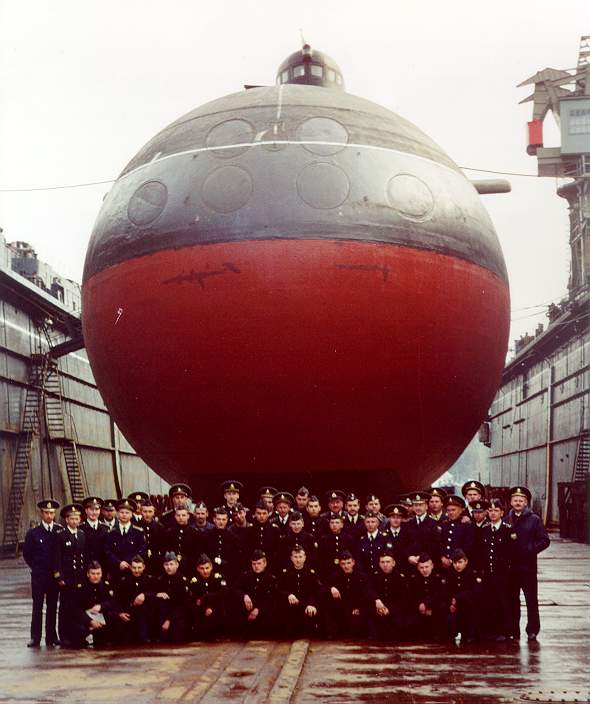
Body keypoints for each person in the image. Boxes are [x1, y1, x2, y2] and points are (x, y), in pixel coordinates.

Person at [506, 486, 550, 641]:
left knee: (531, 600)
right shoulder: (506, 519)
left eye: (521, 500)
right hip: (511, 568)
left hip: (528, 568)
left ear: (526, 503)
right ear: (511, 502)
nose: (518, 503)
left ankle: (532, 629)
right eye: (515, 500)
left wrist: (530, 549)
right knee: (512, 600)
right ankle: (513, 630)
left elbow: (545, 540)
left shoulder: (534, 519)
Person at [23, 499, 63, 648]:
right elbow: (27, 554)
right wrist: (37, 567)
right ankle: (35, 637)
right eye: (46, 512)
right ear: (41, 513)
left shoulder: (59, 531)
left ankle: (52, 636)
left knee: (53, 607)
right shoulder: (33, 533)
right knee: (37, 607)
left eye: (52, 513)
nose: (49, 515)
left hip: (54, 577)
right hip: (39, 577)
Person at [476, 498, 513, 640]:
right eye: (490, 510)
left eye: (496, 510)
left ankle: (504, 631)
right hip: (488, 574)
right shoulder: (484, 530)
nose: (492, 513)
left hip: (503, 574)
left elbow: (512, 553)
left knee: (503, 602)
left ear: (502, 512)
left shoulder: (508, 530)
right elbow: (480, 553)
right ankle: (490, 630)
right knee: (489, 602)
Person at [53, 503, 87, 648]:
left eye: (77, 518)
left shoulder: (81, 534)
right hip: (66, 578)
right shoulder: (60, 535)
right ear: (66, 520)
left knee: (78, 607)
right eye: (72, 519)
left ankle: (78, 636)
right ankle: (64, 636)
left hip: (79, 577)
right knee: (65, 607)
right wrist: (58, 577)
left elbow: (84, 557)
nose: (75, 521)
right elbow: (57, 558)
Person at [323, 550, 370, 639]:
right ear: (340, 565)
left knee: (356, 630)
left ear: (353, 563)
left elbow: (366, 594)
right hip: (341, 609)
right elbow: (323, 587)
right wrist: (331, 588)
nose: (346, 566)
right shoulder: (335, 576)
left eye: (348, 563)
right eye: (343, 564)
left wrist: (359, 607)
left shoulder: (362, 577)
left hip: (355, 609)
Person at [277, 545, 320, 638]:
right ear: (291, 558)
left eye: (300, 557)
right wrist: (288, 594)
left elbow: (316, 591)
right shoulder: (285, 573)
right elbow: (278, 589)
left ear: (305, 557)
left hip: (306, 605)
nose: (298, 560)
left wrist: (311, 604)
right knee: (288, 633)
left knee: (308, 631)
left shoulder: (311, 573)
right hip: (291, 605)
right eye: (295, 557)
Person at [73, 561, 116, 648]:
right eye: (93, 573)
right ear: (88, 574)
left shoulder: (106, 586)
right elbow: (76, 609)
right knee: (77, 633)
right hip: (85, 620)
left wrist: (101, 606)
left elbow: (113, 603)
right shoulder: (81, 588)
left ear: (101, 574)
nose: (95, 576)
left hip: (101, 620)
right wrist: (90, 621)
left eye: (98, 573)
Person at [113, 555, 156, 644]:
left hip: (145, 617)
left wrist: (145, 595)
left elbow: (155, 594)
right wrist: (120, 613)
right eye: (134, 568)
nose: (136, 570)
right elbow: (116, 600)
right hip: (128, 616)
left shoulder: (150, 580)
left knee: (145, 642)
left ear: (144, 567)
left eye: (139, 567)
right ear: (130, 567)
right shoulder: (123, 581)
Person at [235, 550, 278, 638]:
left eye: (259, 563)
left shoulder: (271, 579)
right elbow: (236, 589)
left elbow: (272, 599)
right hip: (248, 612)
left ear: (265, 563)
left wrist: (258, 610)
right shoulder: (245, 576)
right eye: (254, 564)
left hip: (263, 613)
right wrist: (244, 596)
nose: (256, 566)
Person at [369, 550, 409, 640]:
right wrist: (376, 600)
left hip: (394, 611)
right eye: (382, 562)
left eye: (388, 562)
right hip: (378, 610)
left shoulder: (400, 578)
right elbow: (369, 591)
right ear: (379, 564)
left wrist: (389, 609)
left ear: (393, 563)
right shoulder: (374, 576)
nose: (385, 565)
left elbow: (403, 600)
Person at [444, 549, 482, 642]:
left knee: (471, 609)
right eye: (455, 563)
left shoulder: (471, 574)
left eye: (460, 562)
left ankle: (469, 634)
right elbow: (446, 592)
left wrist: (457, 599)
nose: (457, 565)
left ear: (466, 561)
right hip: (454, 607)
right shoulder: (450, 574)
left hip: (467, 607)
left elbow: (473, 592)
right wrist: (451, 603)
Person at [103, 499, 146, 580]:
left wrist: (130, 562)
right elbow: (108, 551)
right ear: (117, 513)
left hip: (133, 570)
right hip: (116, 571)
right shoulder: (111, 532)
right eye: (122, 512)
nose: (124, 515)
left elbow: (141, 549)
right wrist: (119, 563)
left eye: (127, 513)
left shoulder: (138, 531)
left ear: (131, 514)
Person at [189, 554, 228, 640]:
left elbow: (223, 593)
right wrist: (205, 608)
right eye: (202, 568)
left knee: (222, 604)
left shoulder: (218, 578)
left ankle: (220, 633)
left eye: (207, 568)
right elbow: (194, 599)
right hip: (202, 611)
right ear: (198, 569)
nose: (205, 571)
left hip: (216, 609)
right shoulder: (194, 581)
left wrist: (211, 605)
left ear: (211, 567)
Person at [154, 552, 191, 642]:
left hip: (178, 615)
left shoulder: (182, 581)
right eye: (166, 564)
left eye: (171, 564)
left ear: (177, 565)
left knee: (178, 637)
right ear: (163, 566)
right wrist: (156, 594)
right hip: (164, 615)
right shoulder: (160, 579)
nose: (169, 567)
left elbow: (183, 605)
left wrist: (169, 620)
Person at [408, 553, 445, 640]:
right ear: (417, 568)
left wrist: (428, 605)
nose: (424, 570)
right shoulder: (413, 580)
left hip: (434, 610)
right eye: (421, 567)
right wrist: (419, 605)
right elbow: (410, 597)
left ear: (432, 566)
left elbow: (441, 596)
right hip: (419, 611)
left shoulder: (438, 578)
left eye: (427, 567)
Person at [203, 507, 243, 584]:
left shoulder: (233, 538)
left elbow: (236, 560)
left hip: (228, 574)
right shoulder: (207, 536)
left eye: (223, 519)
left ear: (227, 520)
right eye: (218, 519)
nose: (221, 522)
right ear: (214, 519)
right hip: (211, 573)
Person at [439, 495, 475, 570]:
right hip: (444, 564)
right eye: (448, 510)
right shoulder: (444, 525)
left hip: (459, 565)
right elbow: (440, 543)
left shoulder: (467, 525)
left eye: (453, 510)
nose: (450, 512)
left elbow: (467, 547)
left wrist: (452, 560)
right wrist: (442, 557)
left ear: (461, 510)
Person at [318, 513, 356, 582]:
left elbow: (354, 556)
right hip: (329, 572)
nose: (334, 525)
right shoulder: (324, 539)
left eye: (337, 522)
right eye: (332, 523)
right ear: (329, 525)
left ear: (342, 525)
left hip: (345, 571)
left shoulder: (349, 539)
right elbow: (320, 559)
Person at [405, 492, 440, 568]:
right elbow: (405, 543)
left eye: (421, 505)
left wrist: (421, 557)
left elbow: (435, 545)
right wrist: (409, 556)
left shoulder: (433, 524)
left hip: (427, 564)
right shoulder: (408, 524)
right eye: (415, 505)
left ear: (426, 506)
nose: (418, 508)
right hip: (412, 564)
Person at [139, 499, 167, 574]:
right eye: (145, 511)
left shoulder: (160, 527)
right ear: (141, 512)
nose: (147, 514)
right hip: (140, 563)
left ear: (154, 512)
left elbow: (164, 547)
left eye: (150, 511)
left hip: (156, 562)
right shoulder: (136, 526)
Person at [357, 512, 389, 577]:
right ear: (364, 523)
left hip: (381, 574)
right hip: (365, 574)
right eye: (368, 522)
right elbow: (358, 558)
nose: (370, 524)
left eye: (373, 522)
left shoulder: (385, 538)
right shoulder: (361, 539)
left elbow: (388, 556)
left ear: (377, 523)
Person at [79, 497, 109, 567]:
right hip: (86, 566)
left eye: (97, 509)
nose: (94, 512)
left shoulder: (105, 528)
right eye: (91, 509)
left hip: (102, 567)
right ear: (86, 511)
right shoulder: (80, 528)